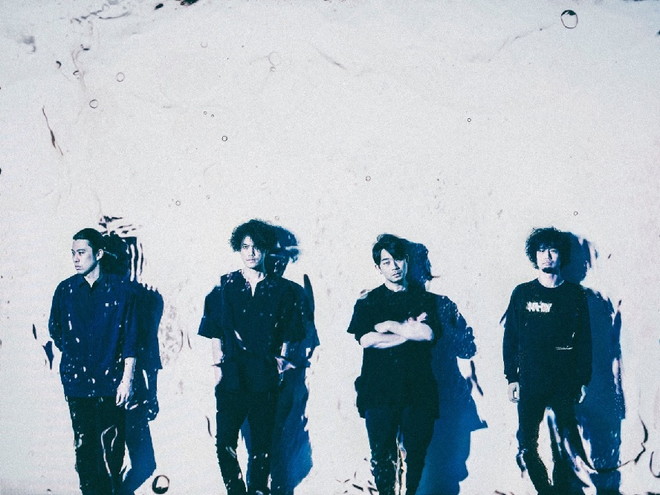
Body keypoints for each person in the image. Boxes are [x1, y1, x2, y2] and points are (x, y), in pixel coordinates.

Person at [198, 219, 305, 495]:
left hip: (264, 376)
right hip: (231, 375)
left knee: (261, 446)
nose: (251, 253)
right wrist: (218, 370)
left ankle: (258, 490)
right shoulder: (225, 286)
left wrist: (280, 366)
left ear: (266, 249)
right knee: (225, 443)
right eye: (245, 247)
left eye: (256, 247)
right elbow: (215, 332)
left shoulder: (284, 290)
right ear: (239, 249)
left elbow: (290, 334)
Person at [347, 233, 441, 495]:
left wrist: (390, 326)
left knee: (416, 455)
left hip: (418, 390)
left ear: (407, 260)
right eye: (386, 262)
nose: (394, 266)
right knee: (381, 457)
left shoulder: (425, 299)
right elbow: (367, 340)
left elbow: (428, 334)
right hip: (378, 390)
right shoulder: (368, 301)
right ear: (378, 267)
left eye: (398, 259)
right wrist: (408, 332)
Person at [503, 227, 592, 495]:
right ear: (534, 255)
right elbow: (511, 338)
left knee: (563, 445)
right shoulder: (522, 293)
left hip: (564, 380)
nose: (547, 256)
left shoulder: (575, 294)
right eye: (541, 250)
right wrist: (512, 377)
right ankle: (545, 491)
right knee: (527, 444)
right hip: (530, 379)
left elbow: (584, 341)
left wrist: (583, 379)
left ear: (561, 255)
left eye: (552, 250)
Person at [49, 228, 138, 494]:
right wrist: (76, 357)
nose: (76, 259)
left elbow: (131, 339)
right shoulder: (65, 290)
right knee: (85, 448)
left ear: (98, 254)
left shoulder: (122, 291)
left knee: (113, 450)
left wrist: (127, 380)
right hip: (77, 383)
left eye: (81, 253)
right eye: (73, 254)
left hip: (111, 382)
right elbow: (56, 329)